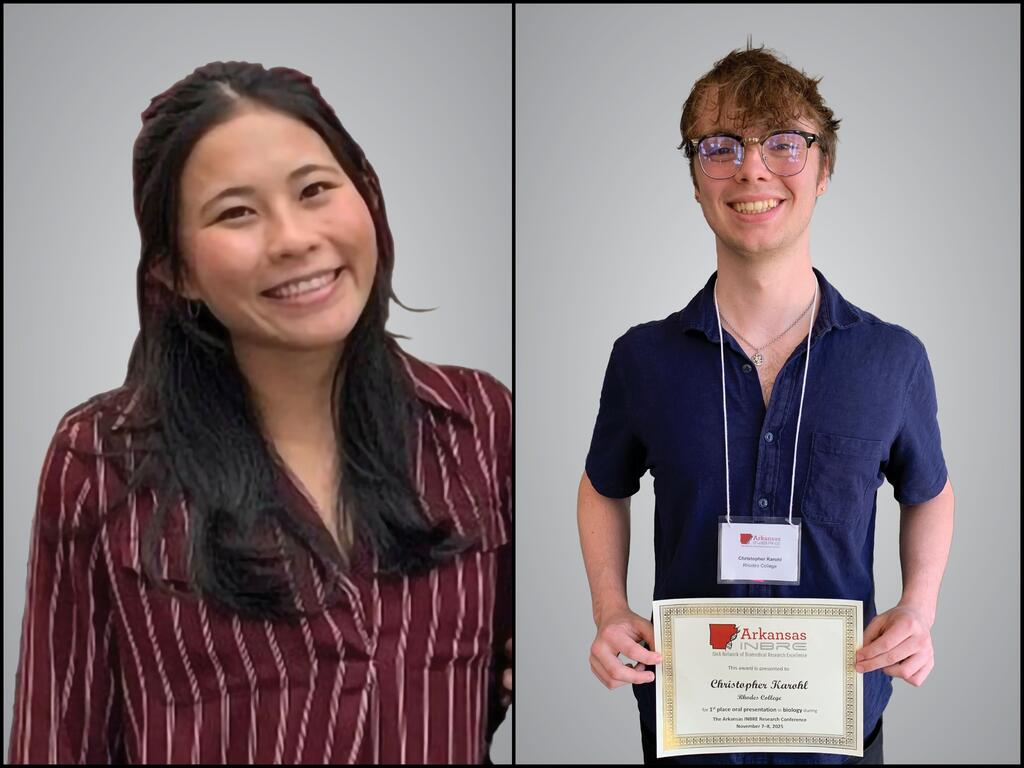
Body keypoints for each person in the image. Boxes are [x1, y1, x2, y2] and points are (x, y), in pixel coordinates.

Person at [8, 61, 512, 765]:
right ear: (175, 270)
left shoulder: (483, 423)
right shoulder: (99, 459)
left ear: (368, 197)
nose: (293, 238)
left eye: (314, 190)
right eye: (236, 212)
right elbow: (56, 740)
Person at [578, 41, 953, 765]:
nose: (752, 168)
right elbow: (601, 486)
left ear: (824, 169)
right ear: (695, 180)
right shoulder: (642, 359)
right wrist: (609, 608)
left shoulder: (892, 359)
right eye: (720, 147)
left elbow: (930, 491)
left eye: (784, 143)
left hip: (842, 732)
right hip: (687, 731)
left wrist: (919, 607)